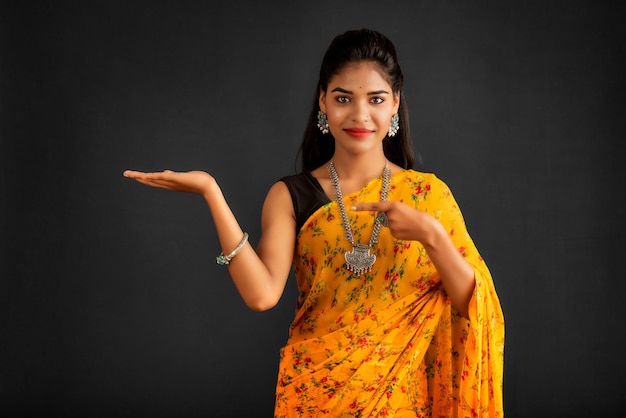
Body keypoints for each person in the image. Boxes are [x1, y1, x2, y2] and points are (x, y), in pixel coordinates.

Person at [124, 28, 504, 417]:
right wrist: (211, 192)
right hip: (315, 396)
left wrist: (431, 235)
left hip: (398, 402)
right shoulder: (291, 195)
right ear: (323, 101)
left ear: (394, 104)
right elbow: (262, 295)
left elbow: (472, 304)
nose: (359, 115)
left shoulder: (428, 196)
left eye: (375, 99)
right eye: (343, 99)